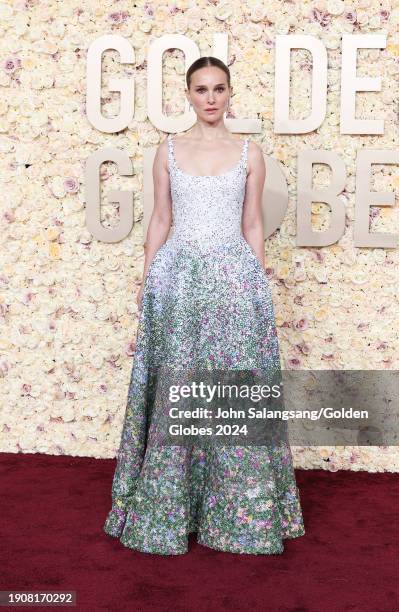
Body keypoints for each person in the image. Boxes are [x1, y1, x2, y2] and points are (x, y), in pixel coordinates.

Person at [103, 56, 305, 555]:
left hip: (235, 281)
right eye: (201, 89)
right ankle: (172, 504)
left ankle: (237, 509)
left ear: (231, 93)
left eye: (218, 89)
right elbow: (160, 220)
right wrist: (147, 280)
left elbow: (253, 224)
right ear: (188, 95)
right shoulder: (167, 150)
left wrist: (257, 282)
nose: (210, 98)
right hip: (176, 281)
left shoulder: (249, 153)